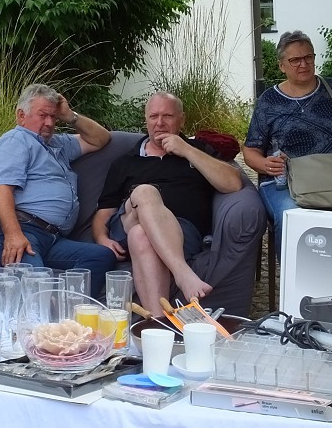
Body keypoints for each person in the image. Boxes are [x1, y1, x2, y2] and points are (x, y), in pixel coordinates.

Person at [93, 92, 243, 316]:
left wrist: (187, 150)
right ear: (146, 119)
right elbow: (104, 212)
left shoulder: (197, 151)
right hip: (128, 219)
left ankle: (157, 323)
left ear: (181, 119)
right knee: (145, 192)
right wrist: (101, 238)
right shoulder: (126, 162)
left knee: (140, 236)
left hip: (181, 232)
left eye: (167, 116)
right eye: (153, 116)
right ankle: (183, 273)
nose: (160, 123)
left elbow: (233, 183)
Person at [243, 30, 332, 249]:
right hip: (286, 184)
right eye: (295, 60)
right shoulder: (269, 101)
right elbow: (250, 151)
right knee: (293, 221)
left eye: (308, 57)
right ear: (281, 65)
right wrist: (266, 164)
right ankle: (297, 282)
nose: (303, 64)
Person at [0, 83, 116, 295]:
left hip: (51, 238)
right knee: (37, 288)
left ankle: (68, 315)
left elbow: (101, 139)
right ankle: (46, 319)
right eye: (43, 115)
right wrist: (13, 234)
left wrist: (70, 116)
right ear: (21, 116)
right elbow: (0, 189)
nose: (49, 123)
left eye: (53, 117)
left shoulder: (57, 144)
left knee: (101, 255)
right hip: (21, 228)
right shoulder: (16, 140)